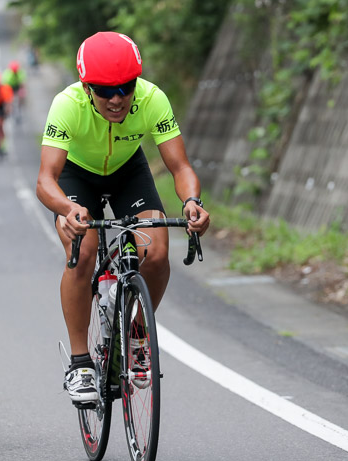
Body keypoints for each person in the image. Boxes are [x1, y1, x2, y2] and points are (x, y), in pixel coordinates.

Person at [35, 32, 210, 405]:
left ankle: (136, 333)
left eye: (124, 88)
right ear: (86, 87)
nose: (116, 99)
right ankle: (80, 363)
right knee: (84, 250)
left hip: (128, 170)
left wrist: (192, 201)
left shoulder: (151, 98)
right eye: (104, 90)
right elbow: (46, 180)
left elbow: (179, 166)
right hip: (76, 174)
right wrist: (68, 209)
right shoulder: (67, 105)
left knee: (157, 251)